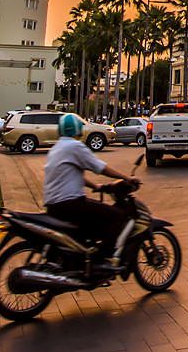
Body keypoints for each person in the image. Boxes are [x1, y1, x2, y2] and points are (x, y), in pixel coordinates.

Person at [43, 113, 140, 269]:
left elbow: (72, 175)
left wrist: (95, 187)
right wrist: (126, 178)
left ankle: (86, 256)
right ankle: (101, 260)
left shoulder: (57, 148)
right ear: (76, 129)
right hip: (71, 204)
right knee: (117, 216)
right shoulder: (75, 146)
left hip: (54, 205)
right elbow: (100, 167)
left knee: (94, 214)